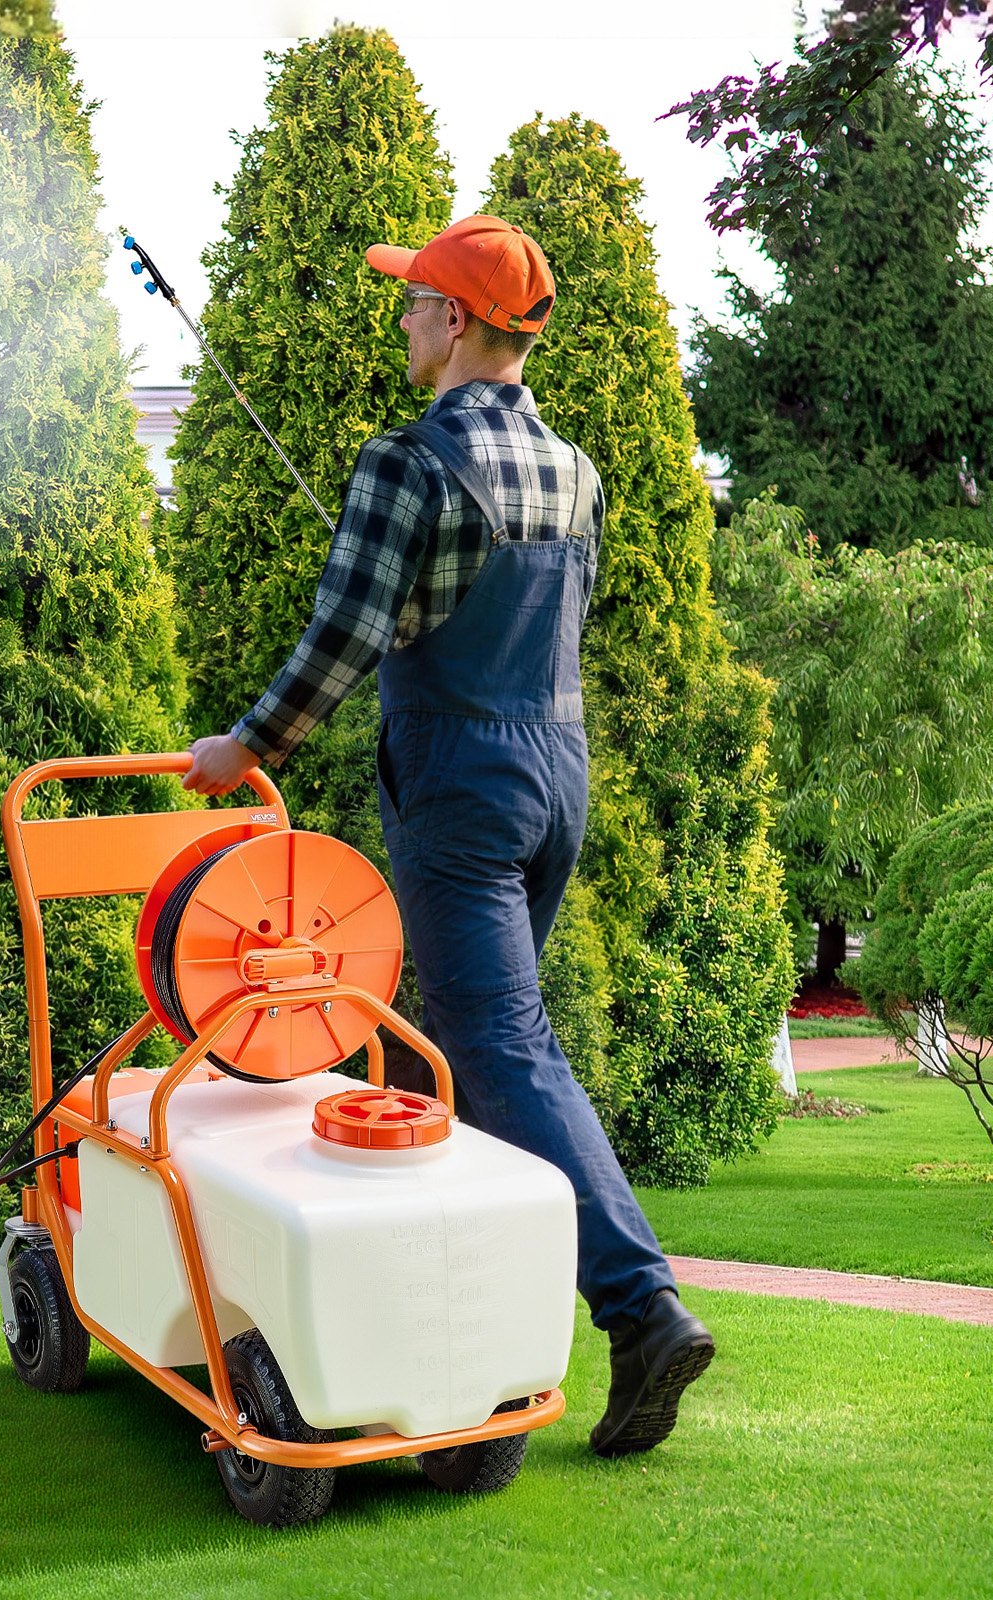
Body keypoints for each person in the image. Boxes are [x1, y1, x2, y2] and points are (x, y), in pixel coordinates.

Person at [181, 215, 715, 1458]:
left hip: (460, 785)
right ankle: (446, 1336)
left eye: (417, 300)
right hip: (556, 778)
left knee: (500, 1048)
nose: (406, 317)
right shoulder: (575, 470)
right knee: (461, 1061)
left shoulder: (405, 462)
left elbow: (342, 637)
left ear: (461, 321)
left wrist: (244, 748)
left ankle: (641, 1308)